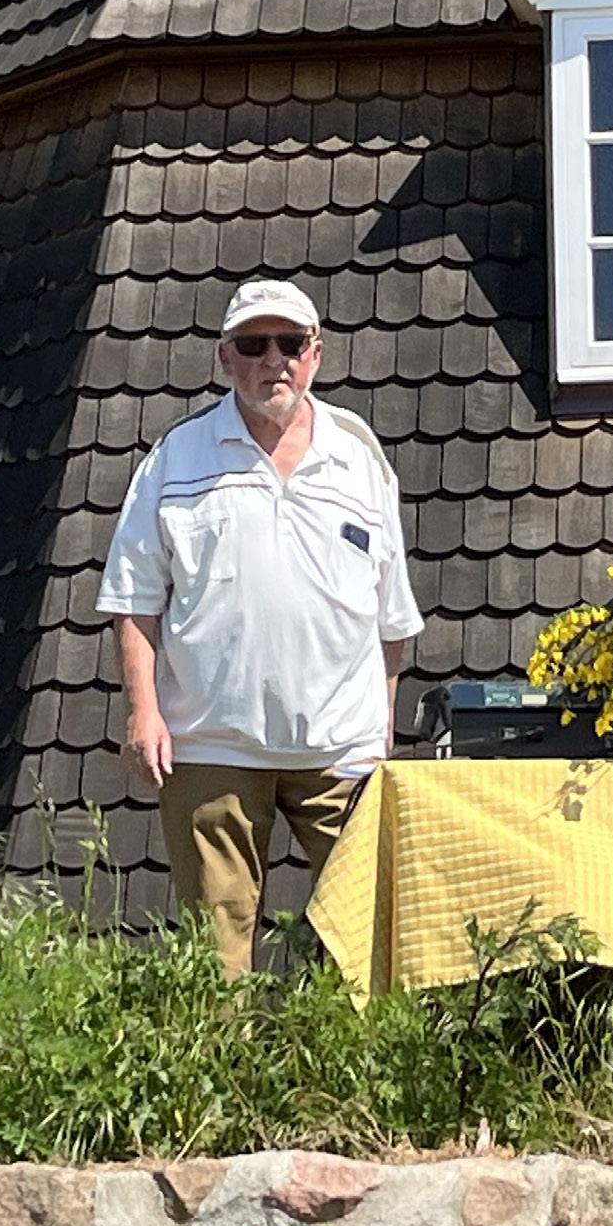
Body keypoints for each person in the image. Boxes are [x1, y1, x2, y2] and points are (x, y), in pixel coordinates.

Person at [97, 279, 422, 975]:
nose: (274, 359)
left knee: (367, 949)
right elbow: (134, 596)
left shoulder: (360, 458)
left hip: (340, 751)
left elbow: (391, 616)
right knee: (217, 966)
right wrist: (144, 711)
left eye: (290, 343)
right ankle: (227, 1053)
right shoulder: (176, 458)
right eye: (253, 344)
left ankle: (339, 1055)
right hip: (211, 743)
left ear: (316, 354)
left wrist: (382, 729)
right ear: (225, 357)